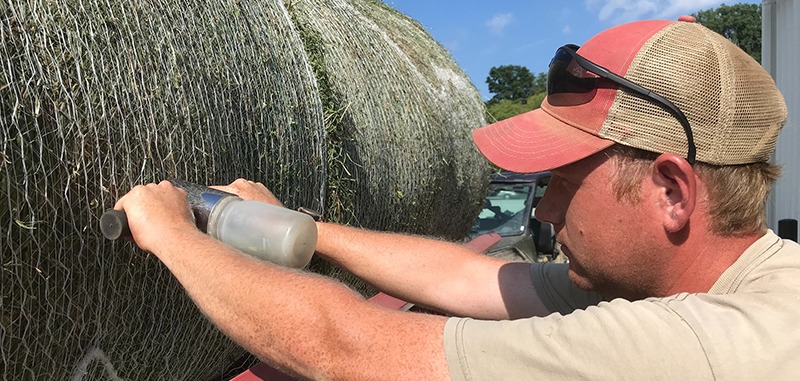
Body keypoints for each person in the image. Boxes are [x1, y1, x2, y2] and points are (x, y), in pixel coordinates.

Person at [113, 17, 800, 380]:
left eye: (563, 180)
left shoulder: (707, 348)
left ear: (673, 191)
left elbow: (349, 350)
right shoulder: (663, 279)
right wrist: (301, 229)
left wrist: (176, 234)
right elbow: (470, 276)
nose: (546, 210)